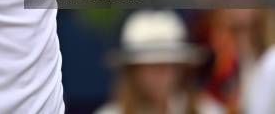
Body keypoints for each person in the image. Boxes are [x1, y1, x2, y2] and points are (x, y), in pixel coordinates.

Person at [96, 10, 224, 114]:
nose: (159, 75)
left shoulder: (208, 110)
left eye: (166, 65)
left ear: (181, 68)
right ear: (133, 72)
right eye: (149, 67)